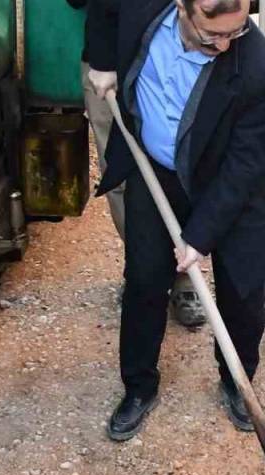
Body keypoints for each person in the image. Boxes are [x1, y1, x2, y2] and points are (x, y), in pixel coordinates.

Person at [87, 0, 265, 441]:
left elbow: (244, 167)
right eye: (211, 36)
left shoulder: (261, 71)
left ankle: (238, 381)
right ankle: (139, 386)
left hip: (227, 183)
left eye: (235, 32)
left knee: (243, 288)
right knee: (144, 281)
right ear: (183, 7)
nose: (224, 45)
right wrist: (103, 62)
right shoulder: (143, 9)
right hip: (155, 170)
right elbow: (104, 7)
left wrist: (199, 237)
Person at [73, 0, 207, 329]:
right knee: (120, 178)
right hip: (110, 66)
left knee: (179, 166)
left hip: (173, 58)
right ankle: (142, 268)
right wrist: (103, 61)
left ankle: (184, 278)